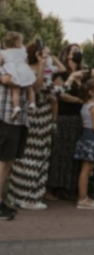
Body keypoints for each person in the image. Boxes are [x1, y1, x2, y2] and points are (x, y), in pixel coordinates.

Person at [48, 42, 94, 199]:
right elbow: (60, 94)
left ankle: (70, 187)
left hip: (79, 118)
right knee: (60, 152)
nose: (78, 52)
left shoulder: (83, 72)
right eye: (74, 50)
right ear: (67, 54)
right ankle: (54, 187)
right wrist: (78, 100)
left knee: (74, 154)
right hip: (64, 116)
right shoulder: (62, 73)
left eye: (79, 50)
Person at [7, 43, 60, 211]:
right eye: (45, 53)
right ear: (37, 55)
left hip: (39, 119)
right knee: (33, 158)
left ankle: (18, 195)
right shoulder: (31, 70)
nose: (48, 56)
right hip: (36, 119)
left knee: (32, 157)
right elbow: (39, 90)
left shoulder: (36, 70)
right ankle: (27, 196)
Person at [0, 35, 45, 221]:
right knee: (3, 162)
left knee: (8, 161)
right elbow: (6, 80)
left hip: (20, 119)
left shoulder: (20, 64)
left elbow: (36, 86)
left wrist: (40, 64)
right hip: (6, 117)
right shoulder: (4, 61)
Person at [74, 79, 94, 210]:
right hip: (93, 139)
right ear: (91, 92)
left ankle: (83, 197)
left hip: (85, 137)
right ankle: (82, 198)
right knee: (86, 171)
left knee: (84, 170)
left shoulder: (85, 106)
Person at [0, 32, 36, 121]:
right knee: (30, 88)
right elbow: (26, 61)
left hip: (12, 71)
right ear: (17, 42)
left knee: (15, 91)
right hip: (23, 70)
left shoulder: (3, 52)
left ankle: (16, 107)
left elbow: (0, 62)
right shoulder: (22, 50)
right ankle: (32, 103)